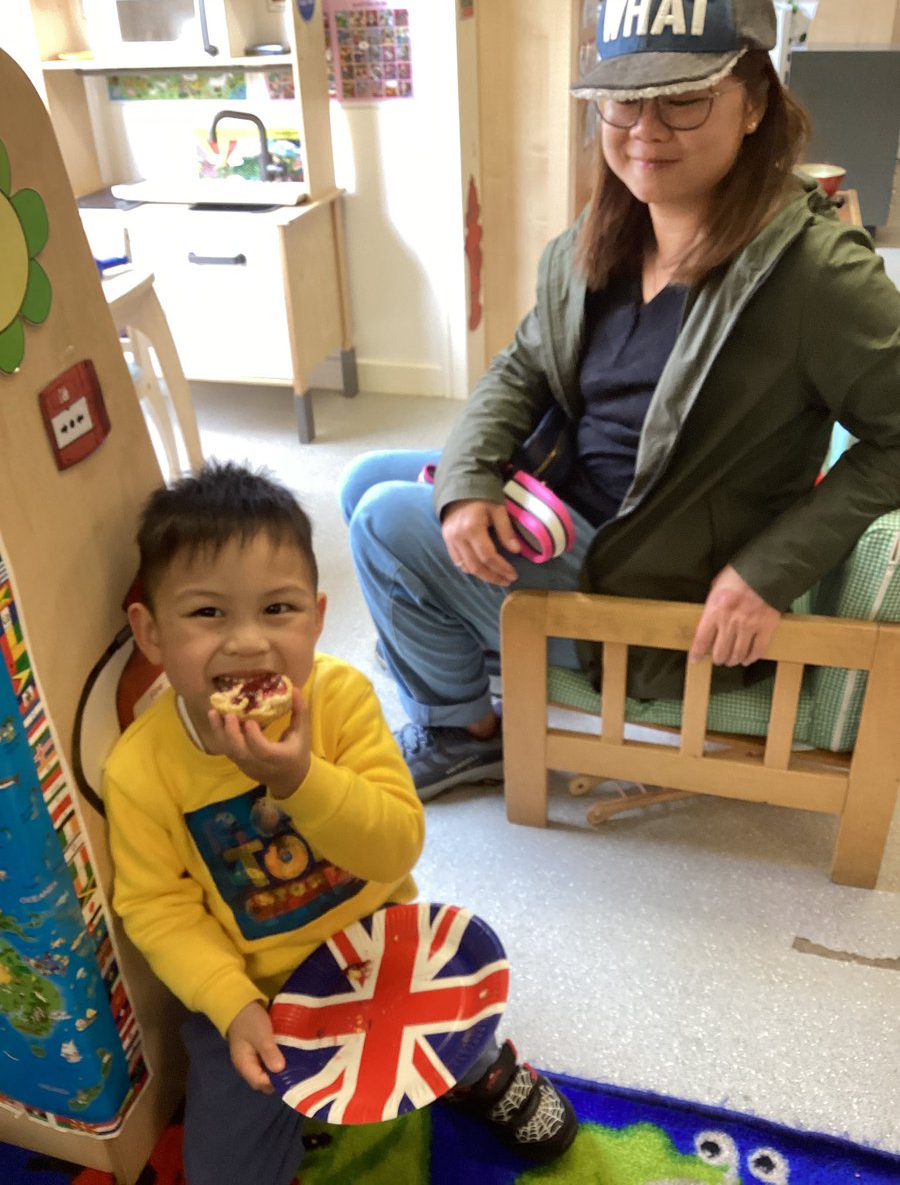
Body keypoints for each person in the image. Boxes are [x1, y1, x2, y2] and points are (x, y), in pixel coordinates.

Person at [340, 0, 900, 802]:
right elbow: (522, 368)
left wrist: (766, 572)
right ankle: (473, 661)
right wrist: (467, 484)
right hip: (574, 511)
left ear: (754, 104)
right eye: (621, 102)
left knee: (382, 521)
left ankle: (462, 728)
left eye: (682, 101)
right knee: (373, 476)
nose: (644, 132)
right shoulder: (605, 232)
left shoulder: (817, 272)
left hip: (657, 577)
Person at [103, 462, 576, 1185]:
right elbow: (156, 908)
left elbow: (396, 844)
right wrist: (232, 1007)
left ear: (319, 619)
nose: (249, 644)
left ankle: (477, 1065)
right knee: (219, 1171)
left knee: (447, 1020)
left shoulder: (343, 699)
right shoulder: (140, 769)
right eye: (207, 614)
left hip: (381, 948)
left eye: (278, 610)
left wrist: (299, 779)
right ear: (151, 633)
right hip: (257, 990)